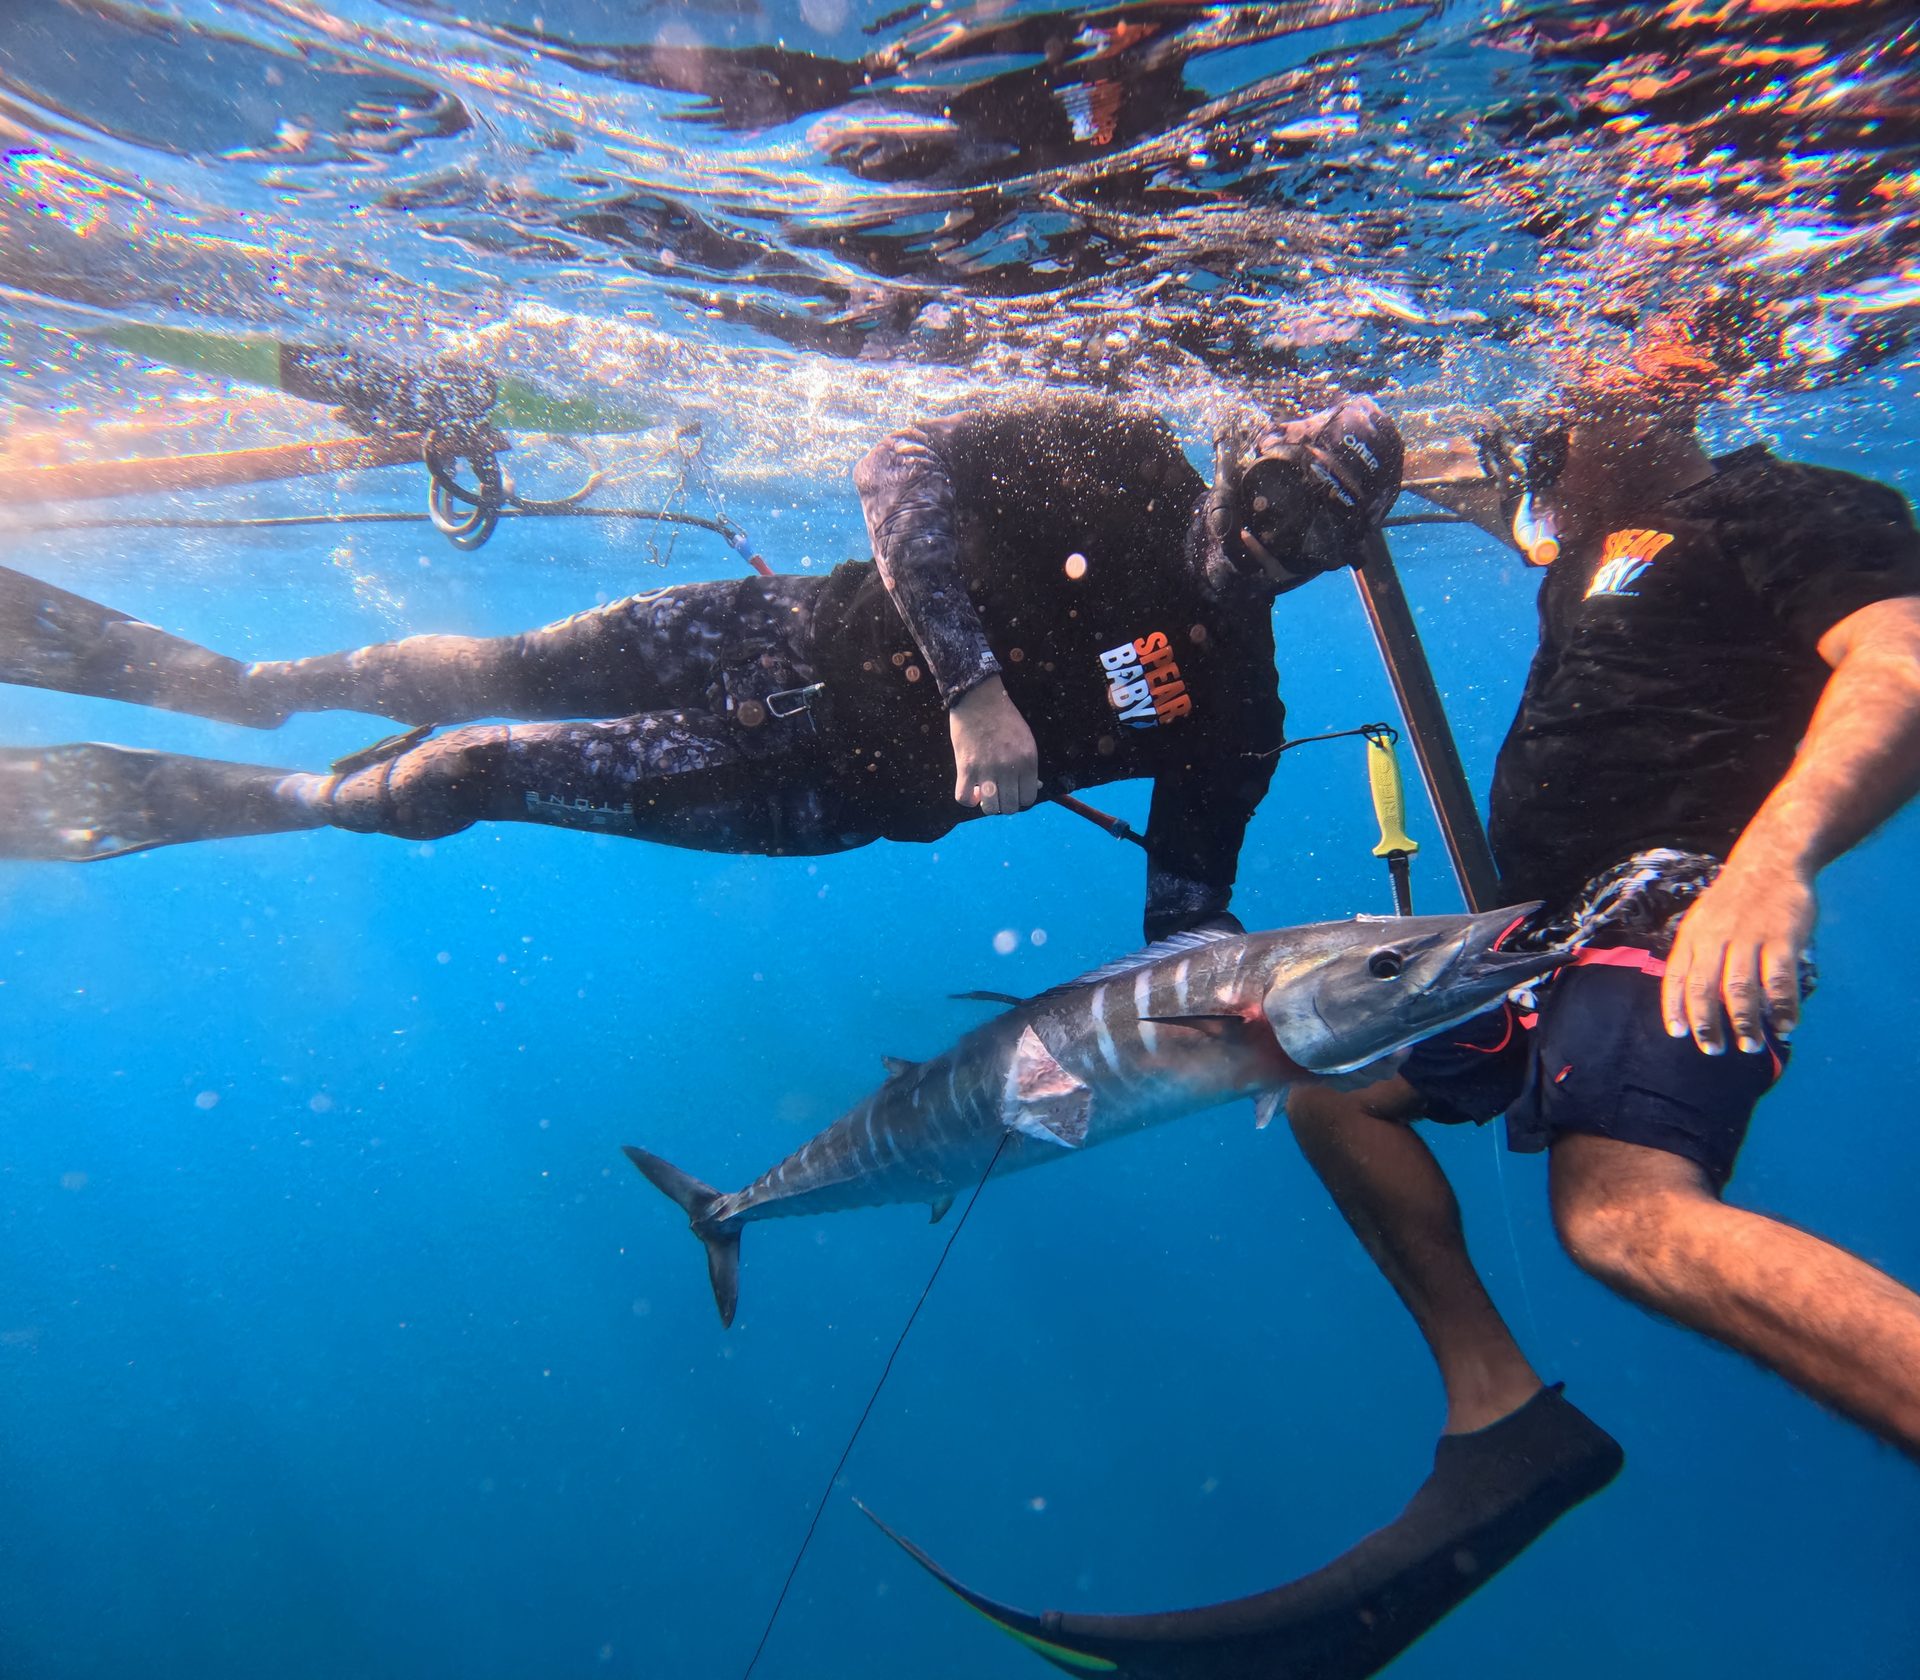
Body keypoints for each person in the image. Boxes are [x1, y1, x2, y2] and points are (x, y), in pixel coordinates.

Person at [0, 393, 1403, 940]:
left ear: (1341, 562)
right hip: (779, 624)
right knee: (483, 666)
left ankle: (284, 797)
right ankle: (247, 687)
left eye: (1322, 541)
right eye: (1279, 499)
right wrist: (976, 687)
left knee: (473, 766)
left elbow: (1184, 921)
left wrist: (1308, 1001)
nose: (1276, 543)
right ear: (1246, 457)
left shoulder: (1241, 712)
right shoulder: (1119, 452)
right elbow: (896, 455)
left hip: (821, 785)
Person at [1287, 340, 1920, 1542]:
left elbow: (1901, 662)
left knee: (1622, 1214)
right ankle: (1501, 1407)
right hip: (1542, 937)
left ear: (1648, 399)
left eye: (1552, 431)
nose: (1530, 454)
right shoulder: (1584, 540)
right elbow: (1487, 495)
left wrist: (1772, 865)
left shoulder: (1780, 505)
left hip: (1679, 903)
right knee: (1332, 1095)